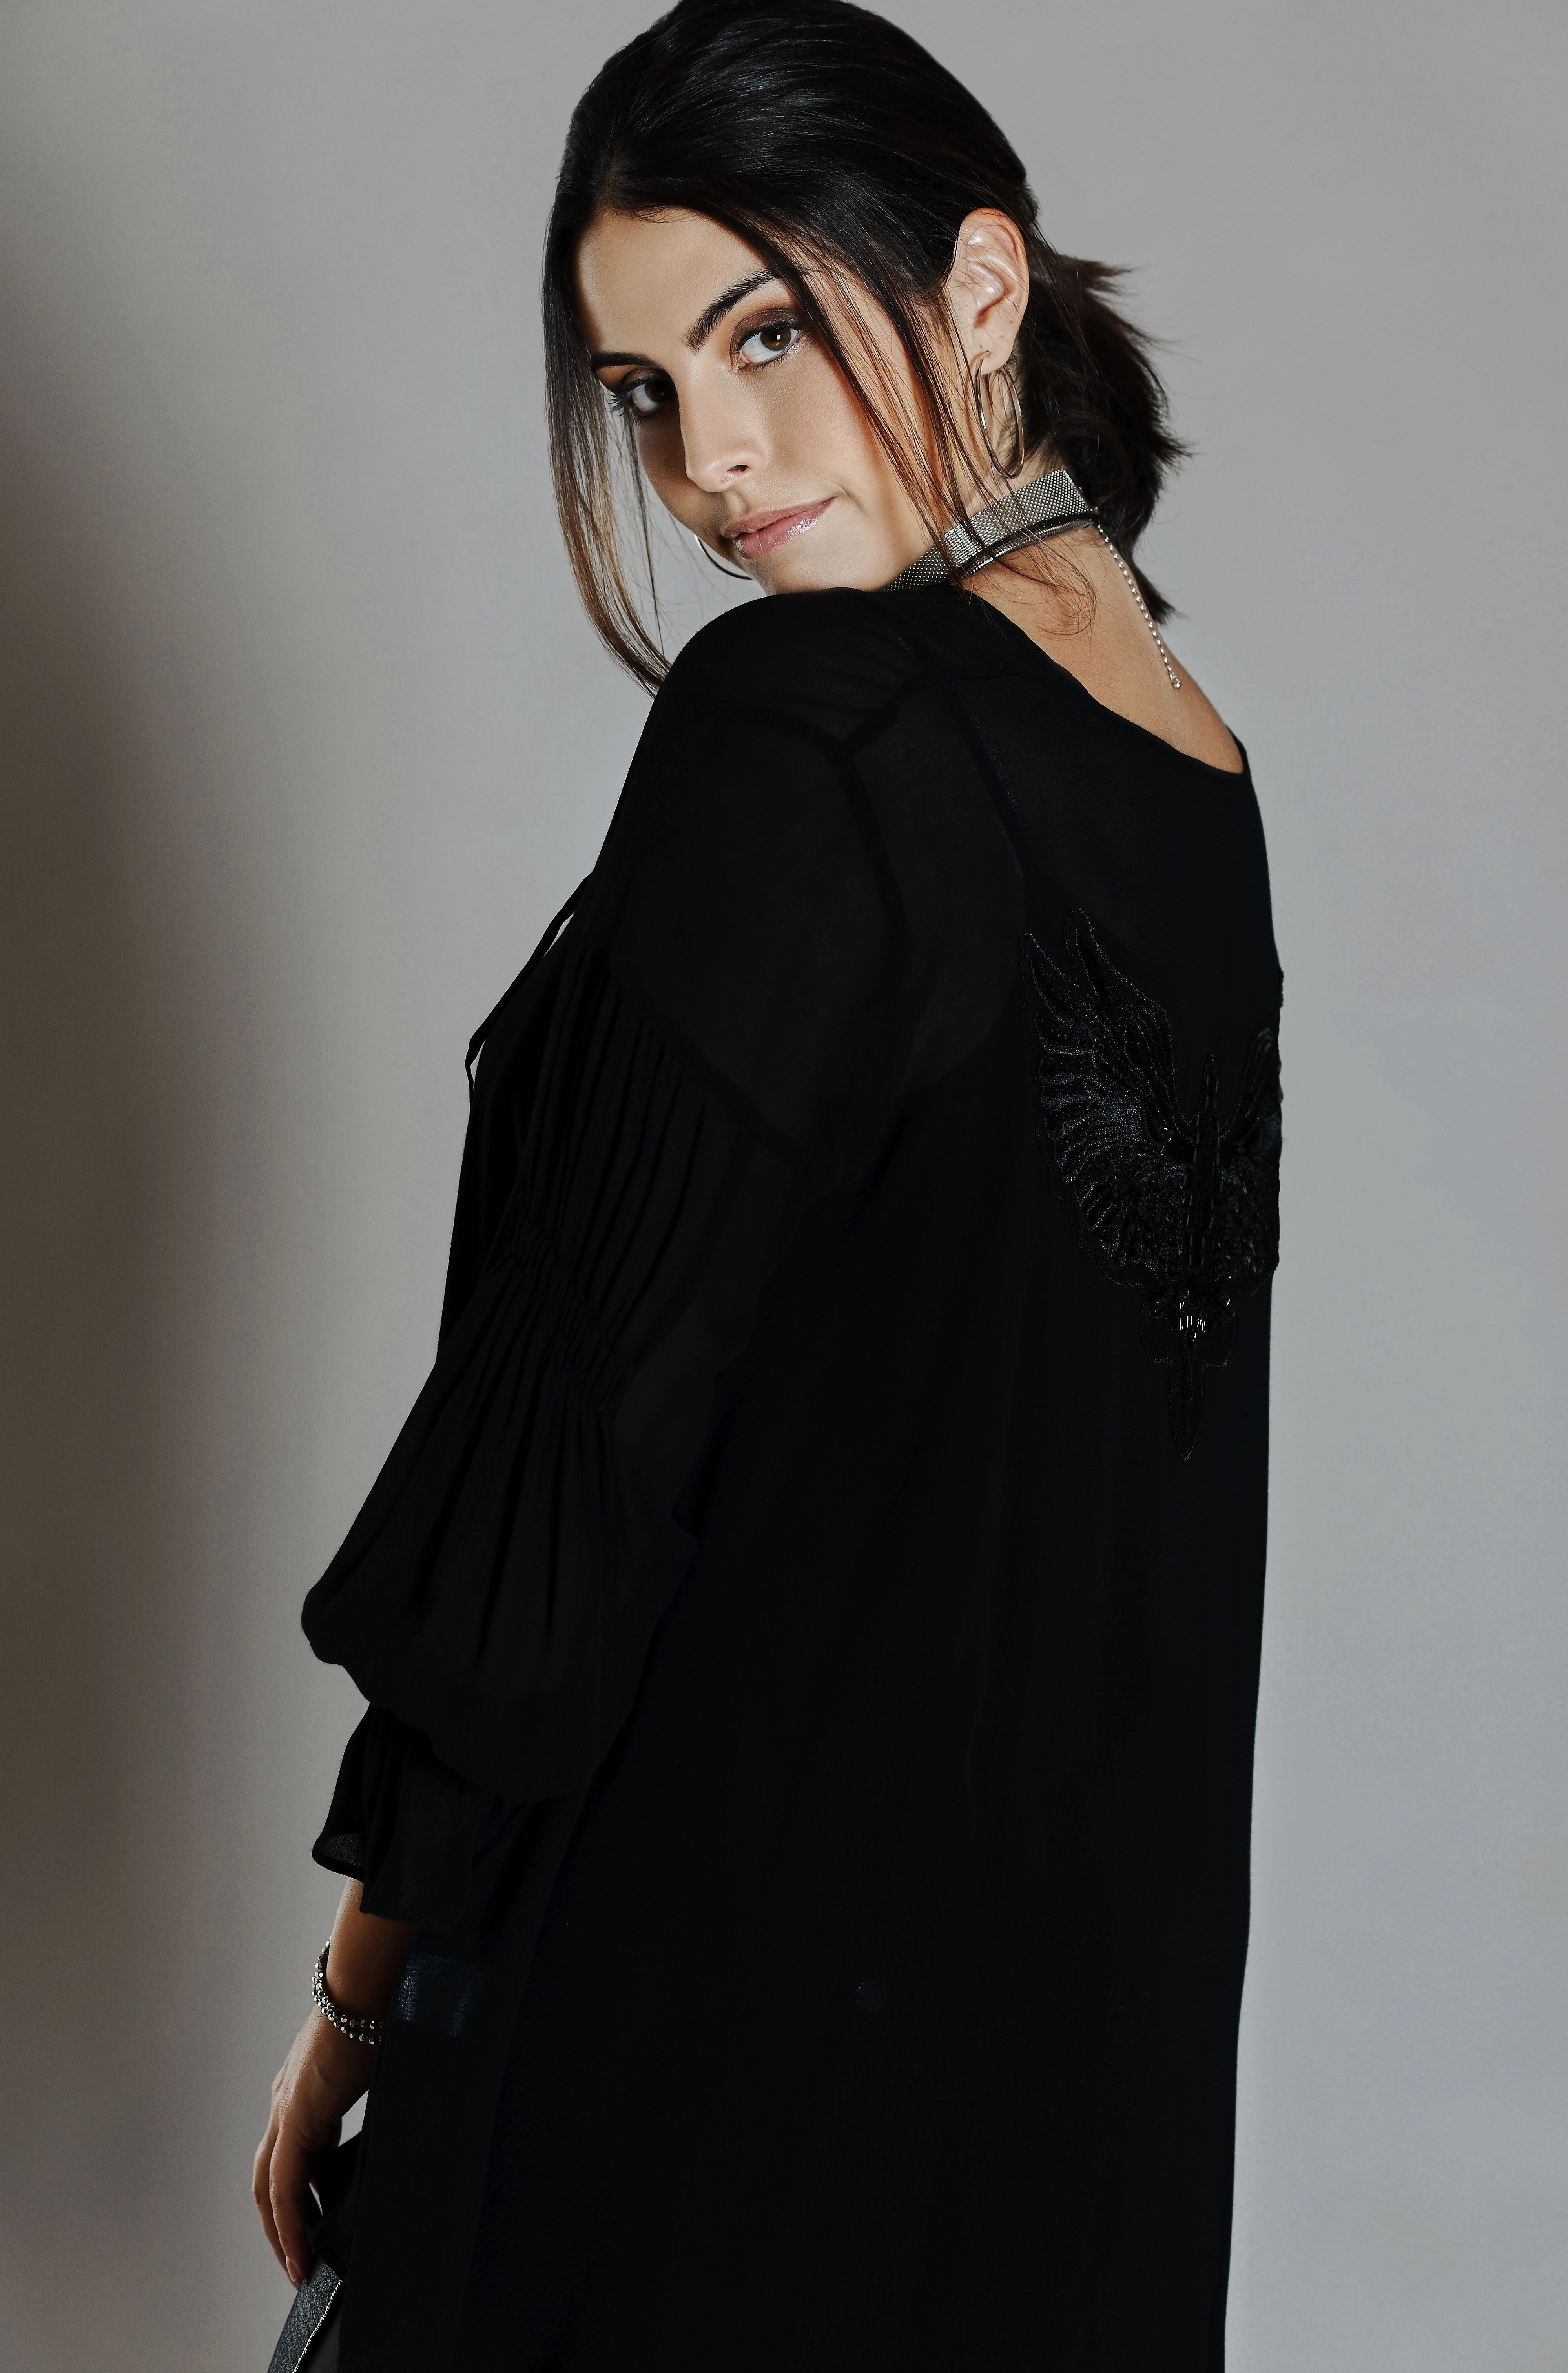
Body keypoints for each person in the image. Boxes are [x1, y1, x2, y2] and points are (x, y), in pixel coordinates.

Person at [253, 2, 1281, 2366]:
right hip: (1069, 2100)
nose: (709, 463)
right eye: (644, 391)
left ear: (983, 287)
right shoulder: (1196, 773)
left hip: (703, 2049)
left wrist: (363, 1991)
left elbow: (582, 1444)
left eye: (766, 334)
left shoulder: (808, 732)